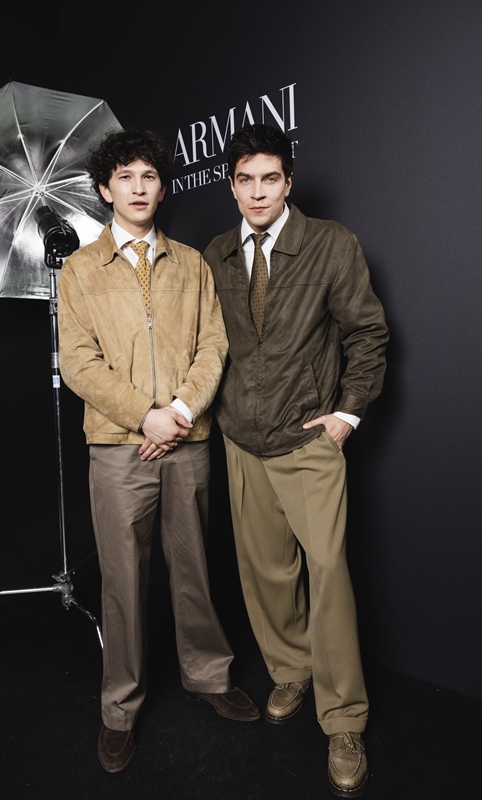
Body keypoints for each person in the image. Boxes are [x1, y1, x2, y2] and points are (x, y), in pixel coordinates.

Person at [57, 127, 260, 775]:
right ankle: (119, 710)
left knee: (194, 566)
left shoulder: (192, 263)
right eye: (126, 178)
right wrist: (142, 416)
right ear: (104, 189)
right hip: (118, 450)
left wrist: (177, 413)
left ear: (163, 188)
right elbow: (79, 363)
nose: (138, 188)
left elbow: (213, 346)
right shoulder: (79, 270)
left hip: (187, 440)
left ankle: (208, 677)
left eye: (148, 177)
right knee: (121, 582)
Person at [203, 123, 389, 798]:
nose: (257, 192)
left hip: (308, 439)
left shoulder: (330, 243)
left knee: (328, 575)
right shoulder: (218, 253)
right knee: (265, 572)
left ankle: (343, 719)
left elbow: (367, 333)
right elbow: (208, 345)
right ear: (232, 186)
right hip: (240, 438)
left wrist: (346, 415)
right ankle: (290, 671)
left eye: (269, 178)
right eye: (244, 180)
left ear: (288, 182)